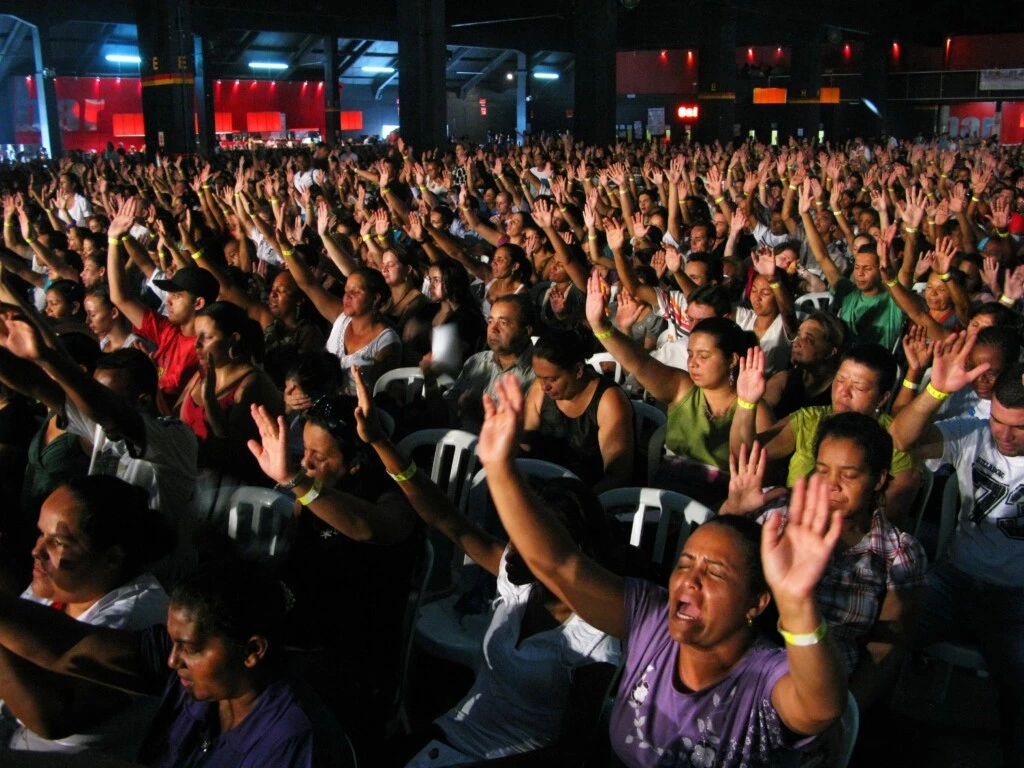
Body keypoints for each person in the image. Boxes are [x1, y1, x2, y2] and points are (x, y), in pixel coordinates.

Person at [470, 373, 847, 767]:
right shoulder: (652, 621)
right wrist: (500, 469)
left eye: (715, 572)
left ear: (756, 603)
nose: (690, 578)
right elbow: (561, 566)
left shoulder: (764, 677)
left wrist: (798, 602)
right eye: (685, 562)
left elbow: (821, 708)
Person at [348, 367, 620, 764]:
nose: (512, 546)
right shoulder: (520, 582)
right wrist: (381, 443)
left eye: (529, 539)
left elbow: (573, 749)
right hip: (456, 732)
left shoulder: (596, 636)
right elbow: (447, 520)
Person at [0, 558, 350, 767]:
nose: (171, 660)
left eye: (189, 648)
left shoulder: (293, 743)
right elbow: (70, 646)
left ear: (252, 650)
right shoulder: (208, 682)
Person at [721, 417, 927, 710]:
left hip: (823, 693)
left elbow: (883, 651)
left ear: (879, 479)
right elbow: (715, 570)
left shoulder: (898, 553)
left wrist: (843, 717)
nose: (831, 484)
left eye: (849, 475)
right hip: (748, 673)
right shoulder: (780, 516)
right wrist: (733, 510)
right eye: (822, 470)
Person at [247, 394, 421, 740]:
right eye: (305, 452)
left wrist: (297, 481)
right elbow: (292, 560)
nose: (306, 463)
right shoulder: (315, 490)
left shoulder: (392, 496)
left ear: (356, 463)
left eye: (320, 456)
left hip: (351, 656)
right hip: (300, 633)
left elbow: (369, 528)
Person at [889, 335, 1024, 767]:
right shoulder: (976, 434)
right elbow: (902, 439)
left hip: (1016, 598)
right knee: (885, 639)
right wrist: (936, 392)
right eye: (1000, 421)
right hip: (954, 579)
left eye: (1018, 427)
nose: (1004, 434)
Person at [0, 318, 199, 579]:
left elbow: (110, 414)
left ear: (143, 400)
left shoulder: (176, 437)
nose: (90, 403)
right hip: (103, 570)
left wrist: (49, 358)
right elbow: (37, 384)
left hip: (156, 580)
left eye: (104, 396)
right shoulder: (98, 424)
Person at [0, 476, 172, 757]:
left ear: (112, 558)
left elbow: (54, 712)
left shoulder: (137, 615)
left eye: (58, 542)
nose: (37, 550)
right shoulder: (57, 585)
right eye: (41, 534)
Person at [585, 271, 771, 505]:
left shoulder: (756, 408)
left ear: (732, 360)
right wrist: (600, 325)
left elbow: (745, 464)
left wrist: (745, 405)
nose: (693, 362)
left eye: (704, 356)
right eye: (691, 354)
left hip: (714, 511)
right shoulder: (683, 387)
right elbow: (639, 363)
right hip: (661, 503)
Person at [751, 343, 922, 518]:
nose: (844, 392)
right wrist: (746, 404)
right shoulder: (810, 420)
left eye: (859, 387)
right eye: (840, 380)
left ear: (882, 398)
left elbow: (891, 513)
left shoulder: (895, 440)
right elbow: (747, 453)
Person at [107, 198, 220, 404]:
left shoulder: (205, 351)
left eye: (176, 296)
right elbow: (120, 298)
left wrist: (148, 378)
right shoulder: (169, 331)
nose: (168, 301)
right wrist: (115, 239)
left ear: (198, 303)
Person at [177, 301, 282, 482]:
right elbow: (175, 425)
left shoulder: (252, 383)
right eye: (196, 336)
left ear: (233, 339)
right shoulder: (200, 375)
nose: (196, 345)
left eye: (207, 337)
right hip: (188, 473)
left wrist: (209, 400)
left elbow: (230, 445)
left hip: (226, 486)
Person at [523, 330, 634, 491]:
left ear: (578, 371)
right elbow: (524, 443)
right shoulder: (540, 390)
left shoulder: (609, 401)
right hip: (543, 487)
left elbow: (617, 475)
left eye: (552, 379)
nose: (544, 386)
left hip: (591, 495)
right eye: (539, 377)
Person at [442, 293, 536, 432]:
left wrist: (481, 412)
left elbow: (528, 435)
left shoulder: (539, 372)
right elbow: (447, 414)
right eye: (491, 321)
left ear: (526, 331)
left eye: (503, 323)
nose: (493, 329)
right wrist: (431, 382)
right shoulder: (476, 361)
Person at [892, 324, 1020, 421]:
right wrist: (914, 372)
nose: (980, 379)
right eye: (973, 369)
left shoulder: (1016, 411)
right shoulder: (956, 389)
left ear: (1011, 368)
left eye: (992, 373)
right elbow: (898, 424)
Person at [763, 311, 846, 419]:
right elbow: (759, 413)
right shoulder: (784, 379)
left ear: (830, 352)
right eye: (798, 335)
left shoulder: (841, 392)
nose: (796, 343)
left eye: (808, 339)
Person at [83, 287, 148, 352]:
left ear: (114, 313)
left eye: (92, 315)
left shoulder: (135, 346)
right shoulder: (103, 345)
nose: (87, 320)